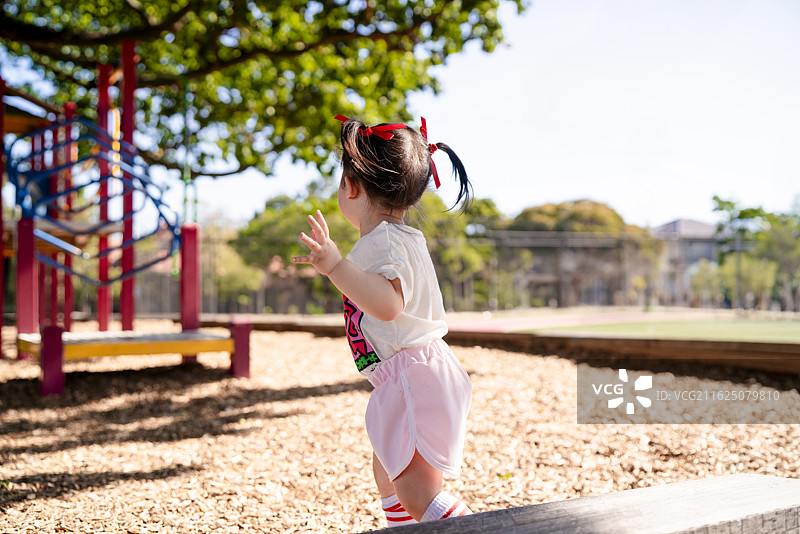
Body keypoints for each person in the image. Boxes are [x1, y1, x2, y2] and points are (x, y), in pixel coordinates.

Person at [291, 115, 474, 526]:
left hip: (412, 377)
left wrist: (336, 266)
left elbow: (389, 305)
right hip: (414, 374)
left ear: (351, 187)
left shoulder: (380, 243)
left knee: (417, 493)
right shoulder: (405, 238)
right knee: (389, 476)